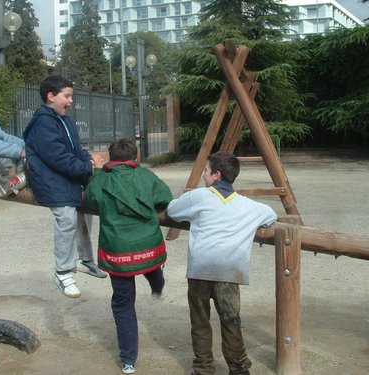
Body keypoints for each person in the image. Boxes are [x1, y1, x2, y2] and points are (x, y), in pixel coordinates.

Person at [166, 152, 277, 375]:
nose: (203, 176)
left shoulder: (198, 197)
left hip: (200, 270)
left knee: (200, 321)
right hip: (229, 272)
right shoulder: (249, 206)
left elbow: (172, 210)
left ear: (216, 175)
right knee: (231, 320)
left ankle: (203, 367)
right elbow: (271, 215)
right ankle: (239, 367)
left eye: (206, 172)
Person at [84, 138, 173, 374]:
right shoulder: (146, 177)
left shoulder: (101, 180)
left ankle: (128, 360)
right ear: (135, 157)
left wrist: (100, 170)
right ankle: (157, 285)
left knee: (123, 304)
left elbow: (90, 199)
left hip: (118, 250)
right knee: (152, 268)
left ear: (111, 158)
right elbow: (165, 197)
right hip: (148, 246)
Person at [23, 75, 106, 299]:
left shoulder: (65, 119)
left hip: (67, 176)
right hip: (49, 180)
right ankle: (62, 272)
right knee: (67, 216)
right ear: (51, 96)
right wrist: (86, 169)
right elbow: (56, 157)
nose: (70, 101)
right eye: (67, 96)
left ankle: (85, 260)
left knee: (86, 209)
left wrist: (87, 161)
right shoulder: (42, 122)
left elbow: (77, 149)